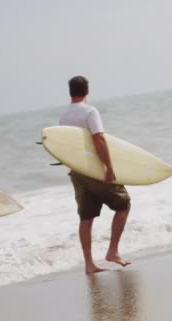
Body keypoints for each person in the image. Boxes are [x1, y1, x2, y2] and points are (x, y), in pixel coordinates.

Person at [60, 76, 131, 274]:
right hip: (94, 170)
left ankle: (89, 264)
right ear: (87, 91)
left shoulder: (63, 116)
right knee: (123, 204)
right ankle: (113, 252)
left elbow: (64, 146)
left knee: (86, 217)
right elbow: (99, 139)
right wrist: (109, 167)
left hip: (77, 171)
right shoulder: (90, 111)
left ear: (70, 92)